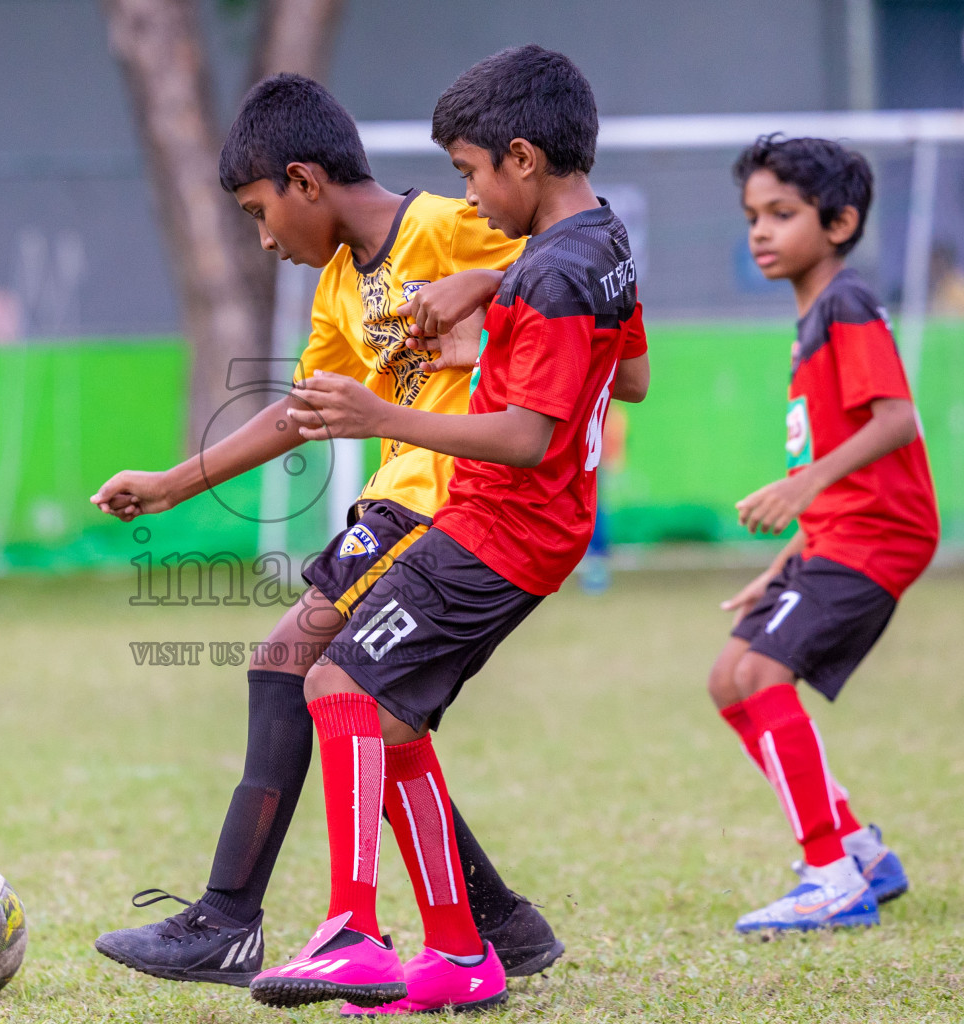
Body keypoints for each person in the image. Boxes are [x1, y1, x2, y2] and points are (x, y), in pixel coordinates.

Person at [89, 72, 563, 992]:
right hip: (396, 502)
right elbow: (300, 412)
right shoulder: (341, 283)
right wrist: (173, 485)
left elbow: (573, 261)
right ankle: (497, 922)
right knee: (370, 713)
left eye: (261, 214)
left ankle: (231, 920)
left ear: (305, 181)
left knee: (300, 671)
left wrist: (485, 280)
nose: (265, 240)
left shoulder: (446, 225)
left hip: (451, 502)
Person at [246, 45, 649, 1012]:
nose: (468, 200)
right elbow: (628, 378)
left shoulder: (552, 274)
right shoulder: (602, 245)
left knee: (332, 680)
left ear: (520, 158)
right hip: (527, 529)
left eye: (470, 174)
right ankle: (464, 954)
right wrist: (488, 302)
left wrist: (380, 415)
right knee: (386, 720)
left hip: (498, 527)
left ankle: (352, 928)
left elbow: (520, 434)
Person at [707, 135, 938, 933]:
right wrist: (780, 566)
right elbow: (833, 478)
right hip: (835, 536)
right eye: (751, 217)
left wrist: (802, 485)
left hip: (877, 537)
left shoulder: (845, 303)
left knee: (763, 672)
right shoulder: (809, 325)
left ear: (837, 223)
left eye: (781, 214)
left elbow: (897, 420)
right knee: (728, 675)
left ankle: (831, 876)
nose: (759, 232)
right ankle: (855, 849)